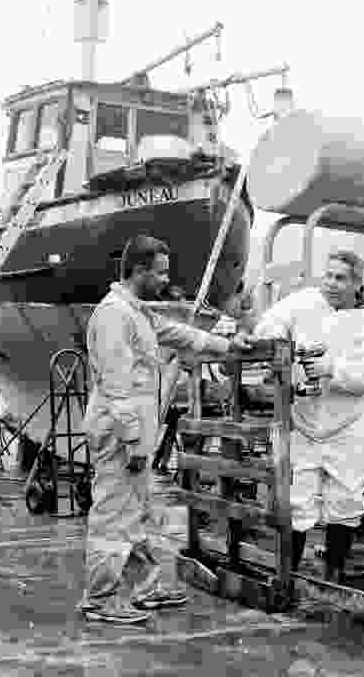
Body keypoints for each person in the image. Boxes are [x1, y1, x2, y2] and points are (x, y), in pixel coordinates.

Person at [80, 234, 256, 625]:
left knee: (134, 513)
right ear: (138, 270)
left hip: (134, 433)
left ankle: (148, 585)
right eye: (159, 273)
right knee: (113, 518)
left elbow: (181, 334)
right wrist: (134, 444)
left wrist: (229, 346)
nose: (165, 280)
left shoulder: (136, 313)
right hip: (122, 436)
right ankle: (101, 599)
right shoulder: (114, 316)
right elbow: (118, 386)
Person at [253, 250, 364, 582]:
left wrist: (332, 369)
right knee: (297, 498)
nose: (331, 283)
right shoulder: (304, 302)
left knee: (346, 497)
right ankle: (290, 572)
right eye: (327, 275)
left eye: (340, 278)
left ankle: (335, 573)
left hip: (350, 423)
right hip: (306, 419)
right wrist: (265, 344)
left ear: (357, 284)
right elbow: (268, 327)